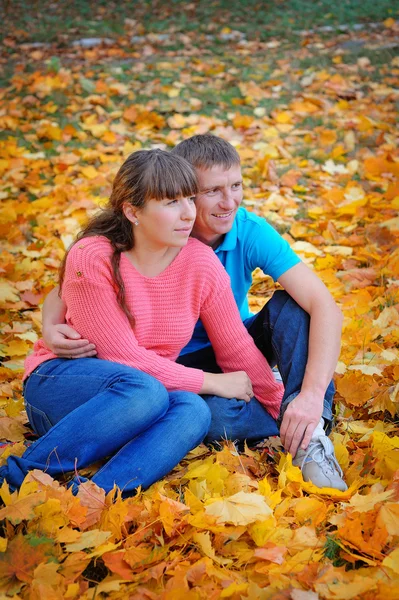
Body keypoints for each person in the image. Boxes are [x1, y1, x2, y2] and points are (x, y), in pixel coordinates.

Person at [42, 135, 347, 492]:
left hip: (221, 356)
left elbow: (313, 310)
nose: (228, 201)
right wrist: (49, 324)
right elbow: (73, 288)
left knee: (293, 309)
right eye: (211, 191)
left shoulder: (242, 234)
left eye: (236, 186)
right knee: (203, 414)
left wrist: (309, 397)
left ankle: (307, 424)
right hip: (157, 367)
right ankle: (282, 407)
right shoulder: (126, 242)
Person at [0, 149, 285, 496]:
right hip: (64, 390)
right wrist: (213, 382)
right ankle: (16, 479)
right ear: (133, 211)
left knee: (194, 410)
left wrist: (281, 409)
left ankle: (93, 497)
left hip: (148, 400)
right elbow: (124, 359)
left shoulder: (200, 262)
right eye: (170, 203)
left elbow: (236, 346)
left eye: (189, 199)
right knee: (145, 389)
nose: (187, 214)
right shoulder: (93, 256)